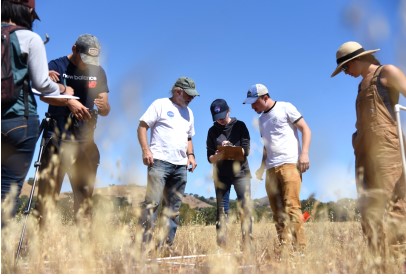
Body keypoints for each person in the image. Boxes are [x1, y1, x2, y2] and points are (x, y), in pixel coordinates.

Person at [331, 41, 406, 260]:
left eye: (345, 68)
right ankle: (378, 262)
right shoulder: (361, 84)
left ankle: (399, 262)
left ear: (355, 60)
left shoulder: (388, 72)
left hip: (387, 149)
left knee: (396, 205)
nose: (345, 73)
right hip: (363, 152)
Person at [1, 0, 67, 226]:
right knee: (8, 191)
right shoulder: (30, 38)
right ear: (28, 10)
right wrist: (61, 88)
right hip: (20, 120)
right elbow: (42, 84)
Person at [34, 34, 110, 225]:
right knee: (47, 198)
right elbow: (44, 96)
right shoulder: (57, 65)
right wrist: (68, 101)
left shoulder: (98, 71)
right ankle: (39, 246)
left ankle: (82, 249)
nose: (87, 64)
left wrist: (103, 107)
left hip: (85, 142)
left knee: (84, 201)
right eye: (84, 59)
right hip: (57, 140)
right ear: (74, 49)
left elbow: (106, 108)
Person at [243, 83, 311, 252]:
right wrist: (261, 167)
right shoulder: (261, 120)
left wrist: (304, 154)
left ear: (265, 97)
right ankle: (284, 248)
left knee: (292, 207)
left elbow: (305, 129)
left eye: (254, 103)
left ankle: (300, 249)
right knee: (277, 211)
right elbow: (267, 146)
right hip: (271, 170)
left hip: (289, 164)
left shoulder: (285, 107)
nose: (252, 106)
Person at [137, 77, 198, 254]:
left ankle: (166, 247)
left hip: (180, 166)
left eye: (193, 96)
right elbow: (142, 127)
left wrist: (191, 155)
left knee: (173, 208)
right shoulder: (160, 104)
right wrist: (145, 150)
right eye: (188, 95)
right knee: (152, 204)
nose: (191, 98)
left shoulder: (189, 113)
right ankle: (144, 247)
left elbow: (188, 137)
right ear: (178, 91)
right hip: (159, 162)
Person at [206, 98, 253, 250]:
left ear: (229, 111)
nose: (220, 120)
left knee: (245, 208)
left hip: (241, 173)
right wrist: (219, 153)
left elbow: (246, 150)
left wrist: (232, 148)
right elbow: (209, 157)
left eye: (222, 117)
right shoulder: (212, 131)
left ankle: (247, 245)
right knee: (221, 210)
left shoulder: (240, 126)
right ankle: (222, 246)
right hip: (221, 175)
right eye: (216, 118)